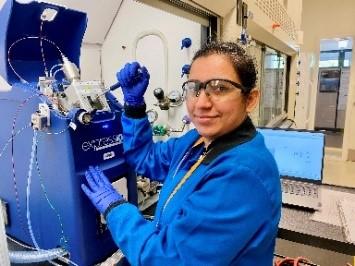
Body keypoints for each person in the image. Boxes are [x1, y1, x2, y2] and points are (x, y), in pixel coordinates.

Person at [82, 41, 281, 266]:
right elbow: (145, 158)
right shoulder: (196, 141)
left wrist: (115, 209)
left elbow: (168, 260)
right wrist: (134, 106)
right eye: (194, 88)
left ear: (250, 99)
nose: (202, 103)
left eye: (220, 88)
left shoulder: (242, 175)